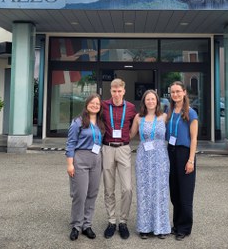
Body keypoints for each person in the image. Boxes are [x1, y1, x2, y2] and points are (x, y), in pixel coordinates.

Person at [130, 89, 171, 239]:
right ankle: (144, 227)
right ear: (144, 102)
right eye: (148, 99)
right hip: (144, 158)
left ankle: (161, 226)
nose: (151, 102)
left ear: (157, 101)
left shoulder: (165, 117)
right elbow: (129, 135)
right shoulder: (138, 118)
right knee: (144, 191)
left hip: (160, 158)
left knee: (160, 191)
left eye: (153, 99)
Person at [65, 93, 105, 241]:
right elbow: (70, 143)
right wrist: (70, 164)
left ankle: (87, 225)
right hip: (80, 158)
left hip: (96, 159)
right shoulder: (78, 122)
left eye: (97, 104)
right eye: (92, 103)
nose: (95, 105)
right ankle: (76, 225)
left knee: (92, 193)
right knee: (80, 195)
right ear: (87, 104)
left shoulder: (100, 123)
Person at [101, 78, 137, 239]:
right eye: (114, 91)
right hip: (107, 148)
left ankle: (123, 221)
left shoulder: (130, 108)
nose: (116, 94)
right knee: (109, 188)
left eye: (119, 91)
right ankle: (111, 221)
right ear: (111, 91)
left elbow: (137, 124)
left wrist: (128, 138)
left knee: (127, 188)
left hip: (123, 148)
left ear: (124, 91)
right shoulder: (103, 106)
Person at [165, 81, 199, 241]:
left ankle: (185, 228)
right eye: (173, 92)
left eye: (178, 91)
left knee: (185, 194)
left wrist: (191, 160)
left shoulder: (191, 113)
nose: (175, 94)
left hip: (184, 153)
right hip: (170, 152)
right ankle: (177, 224)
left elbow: (193, 139)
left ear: (184, 92)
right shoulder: (169, 110)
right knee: (175, 192)